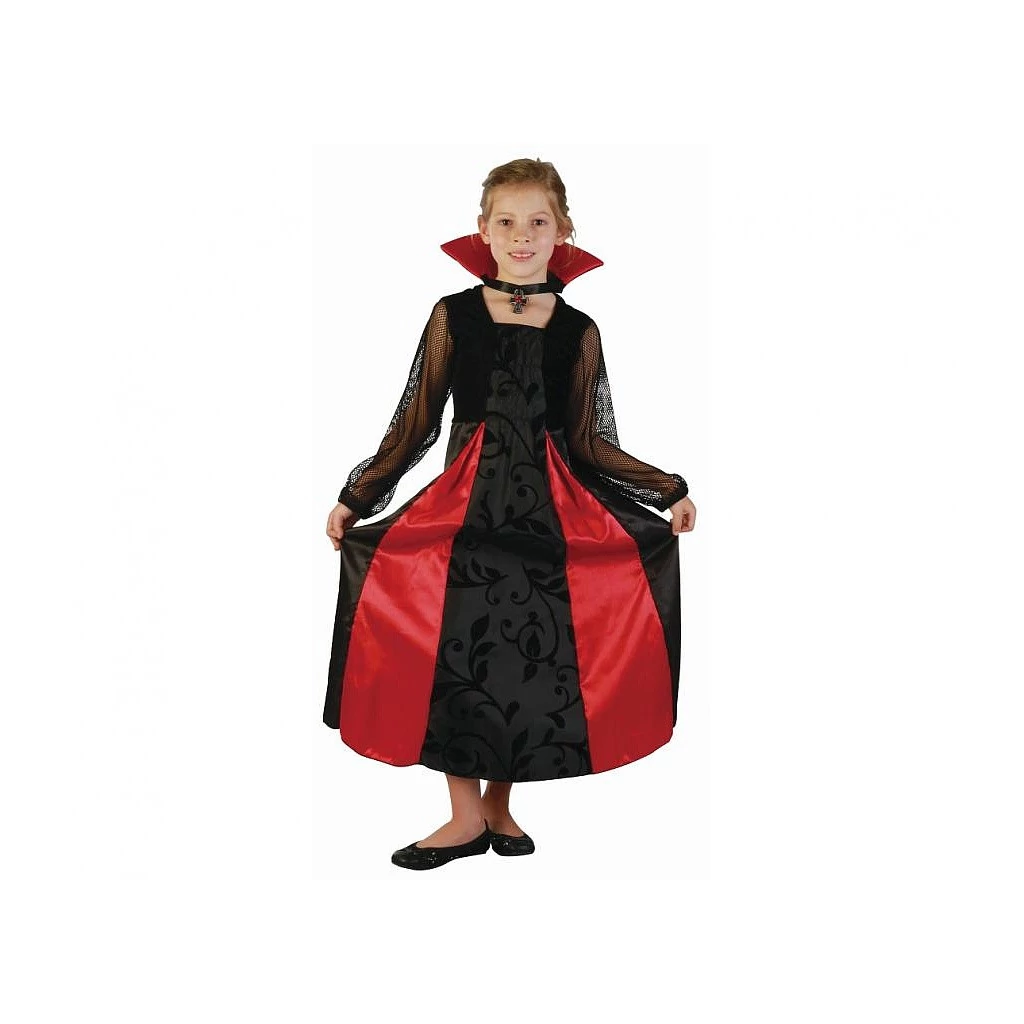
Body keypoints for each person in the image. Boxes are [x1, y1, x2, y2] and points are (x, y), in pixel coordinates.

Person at [324, 156, 697, 870]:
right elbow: (415, 422)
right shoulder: (454, 316)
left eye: (537, 222)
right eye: (507, 222)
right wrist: (359, 496)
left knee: (525, 659)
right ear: (483, 230)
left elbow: (590, 442)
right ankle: (464, 817)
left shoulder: (578, 330)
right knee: (453, 650)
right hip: (464, 513)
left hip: (550, 519)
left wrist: (666, 490)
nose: (522, 235)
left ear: (562, 231)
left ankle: (498, 805)